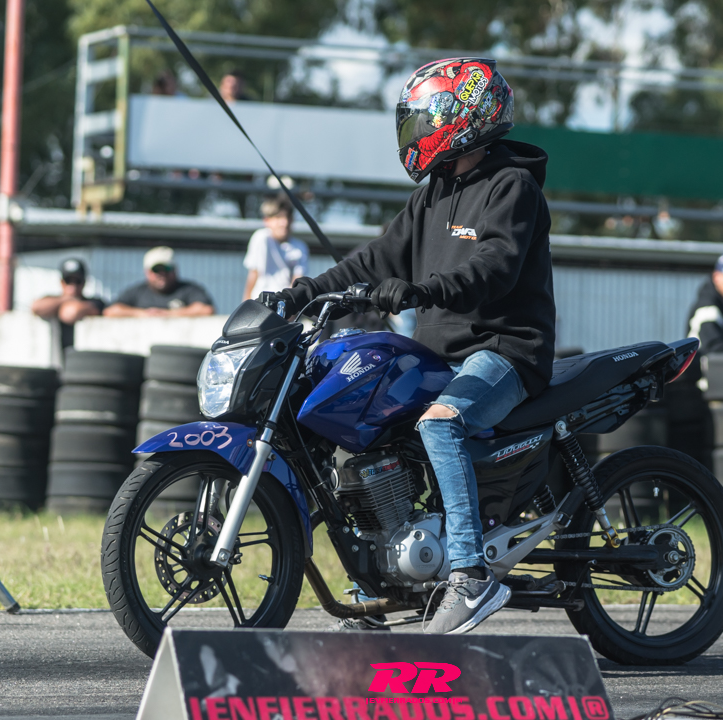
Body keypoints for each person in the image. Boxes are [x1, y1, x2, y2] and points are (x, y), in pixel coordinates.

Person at [271, 58, 551, 635]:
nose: (414, 132)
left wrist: (424, 290)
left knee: (439, 426)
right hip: (437, 353)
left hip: (503, 351)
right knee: (360, 429)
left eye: (423, 119)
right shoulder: (433, 193)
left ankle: (470, 574)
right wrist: (303, 293)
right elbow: (374, 259)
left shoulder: (512, 186)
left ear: (462, 116)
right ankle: (377, 589)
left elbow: (495, 266)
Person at [104, 246, 215, 317]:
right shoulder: (137, 291)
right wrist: (143, 313)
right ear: (147, 272)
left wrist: (169, 314)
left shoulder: (189, 289)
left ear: (175, 270)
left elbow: (206, 309)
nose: (162, 275)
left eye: (166, 269)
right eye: (156, 270)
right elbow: (111, 311)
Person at [242, 195, 309, 301]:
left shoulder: (300, 247)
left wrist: (289, 304)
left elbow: (296, 281)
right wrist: (246, 301)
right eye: (278, 217)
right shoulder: (261, 238)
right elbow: (254, 273)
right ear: (266, 220)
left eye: (288, 217)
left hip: (284, 303)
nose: (284, 223)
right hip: (259, 301)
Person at [31, 258, 104, 349]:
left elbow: (69, 314)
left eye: (77, 281)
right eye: (68, 281)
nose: (73, 287)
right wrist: (67, 299)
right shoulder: (56, 299)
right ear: (62, 282)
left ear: (84, 283)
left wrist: (62, 305)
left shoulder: (94, 302)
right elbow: (36, 307)